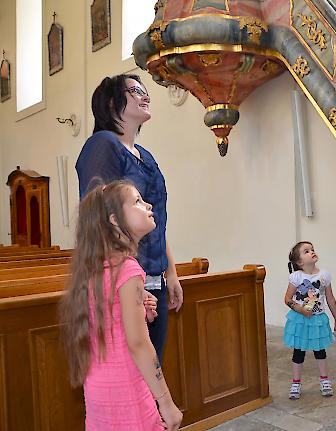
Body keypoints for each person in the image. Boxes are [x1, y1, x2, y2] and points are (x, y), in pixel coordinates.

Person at [76, 74, 183, 362]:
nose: (145, 96)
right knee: (135, 371)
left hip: (152, 277)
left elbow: (155, 218)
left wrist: (169, 272)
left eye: (145, 91)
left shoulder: (145, 156)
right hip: (123, 281)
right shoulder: (103, 145)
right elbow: (98, 217)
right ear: (112, 103)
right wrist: (130, 279)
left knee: (152, 365)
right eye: (136, 91)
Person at [60, 180, 183, 430]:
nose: (147, 204)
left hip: (98, 389)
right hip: (126, 389)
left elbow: (110, 319)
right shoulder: (128, 269)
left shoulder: (95, 267)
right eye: (137, 201)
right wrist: (166, 403)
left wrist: (140, 310)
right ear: (115, 220)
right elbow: (138, 344)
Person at [283, 241, 336, 400]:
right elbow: (287, 299)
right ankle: (296, 383)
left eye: (312, 249)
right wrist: (300, 309)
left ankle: (324, 380)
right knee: (298, 351)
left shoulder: (324, 276)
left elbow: (330, 298)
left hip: (317, 319)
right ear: (300, 262)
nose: (312, 252)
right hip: (300, 319)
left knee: (320, 350)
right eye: (306, 251)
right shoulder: (296, 277)